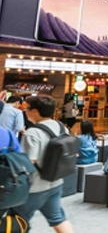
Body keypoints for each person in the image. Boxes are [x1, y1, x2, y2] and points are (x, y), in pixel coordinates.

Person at [12, 95, 74, 233]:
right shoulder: (61, 127)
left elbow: (28, 162)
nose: (25, 111)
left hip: (35, 187)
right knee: (58, 218)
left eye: (27, 108)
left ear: (35, 111)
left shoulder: (33, 133)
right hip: (56, 182)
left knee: (18, 220)